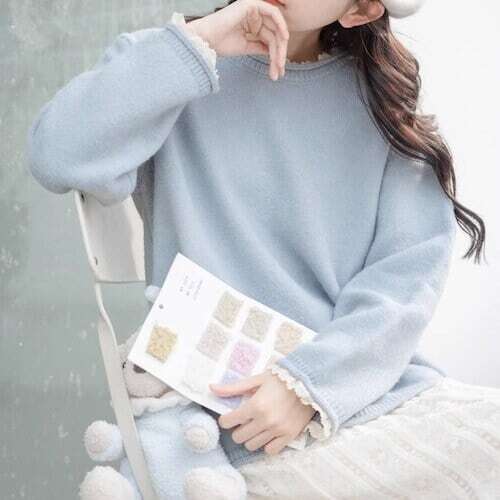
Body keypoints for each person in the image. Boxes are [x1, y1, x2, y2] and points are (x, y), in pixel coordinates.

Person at [26, 0, 500, 497]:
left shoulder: (381, 108)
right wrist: (202, 42)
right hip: (224, 422)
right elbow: (56, 154)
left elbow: (403, 284)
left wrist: (307, 386)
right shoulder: (174, 62)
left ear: (359, 10)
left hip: (355, 397)